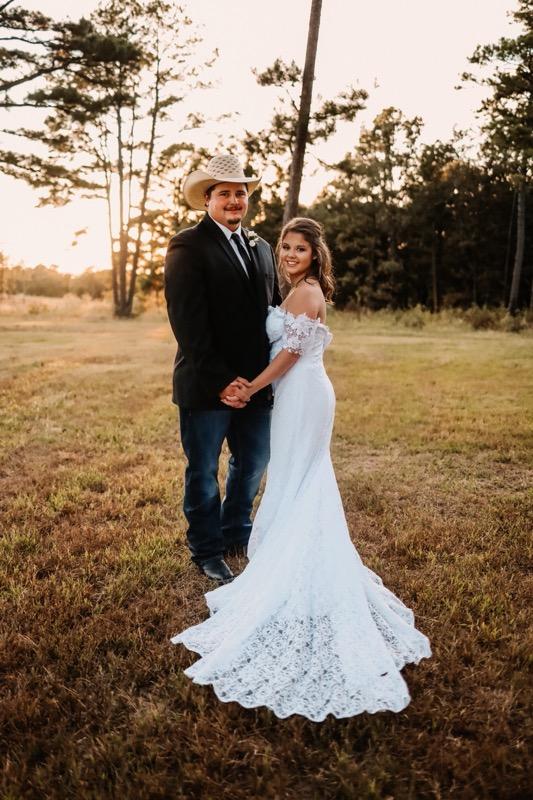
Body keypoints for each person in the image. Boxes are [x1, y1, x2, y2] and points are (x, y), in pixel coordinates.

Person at [171, 217, 432, 721]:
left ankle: (299, 564)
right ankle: (277, 555)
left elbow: (290, 354)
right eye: (285, 247)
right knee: (291, 478)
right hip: (289, 397)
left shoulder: (309, 294)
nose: (289, 255)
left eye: (300, 249)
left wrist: (249, 386)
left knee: (301, 480)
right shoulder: (293, 289)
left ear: (316, 255)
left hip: (301, 394)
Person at [164, 154, 281, 585]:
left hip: (255, 386)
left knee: (252, 463)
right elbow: (188, 322)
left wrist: (257, 382)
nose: (234, 200)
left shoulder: (262, 247)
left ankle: (236, 533)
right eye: (225, 193)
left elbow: (268, 315)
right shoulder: (187, 246)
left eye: (240, 193)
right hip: (207, 384)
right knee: (203, 470)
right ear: (208, 199)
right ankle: (207, 549)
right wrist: (221, 381)